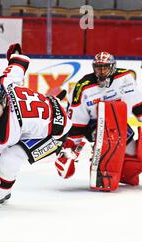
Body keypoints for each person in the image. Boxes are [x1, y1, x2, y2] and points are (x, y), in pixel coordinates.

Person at [0, 44, 72, 208]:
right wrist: (15, 55)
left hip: (55, 132)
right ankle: (0, 181)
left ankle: (1, 191)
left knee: (10, 156)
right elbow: (19, 63)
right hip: (46, 110)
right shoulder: (4, 82)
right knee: (3, 153)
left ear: (3, 101)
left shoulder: (10, 126)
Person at [55, 51, 142, 187]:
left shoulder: (125, 78)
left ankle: (124, 175)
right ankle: (101, 168)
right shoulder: (83, 87)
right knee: (108, 140)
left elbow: (138, 107)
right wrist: (70, 149)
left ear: (113, 67)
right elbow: (76, 124)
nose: (101, 71)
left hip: (118, 123)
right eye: (98, 67)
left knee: (134, 155)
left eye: (105, 67)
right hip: (93, 126)